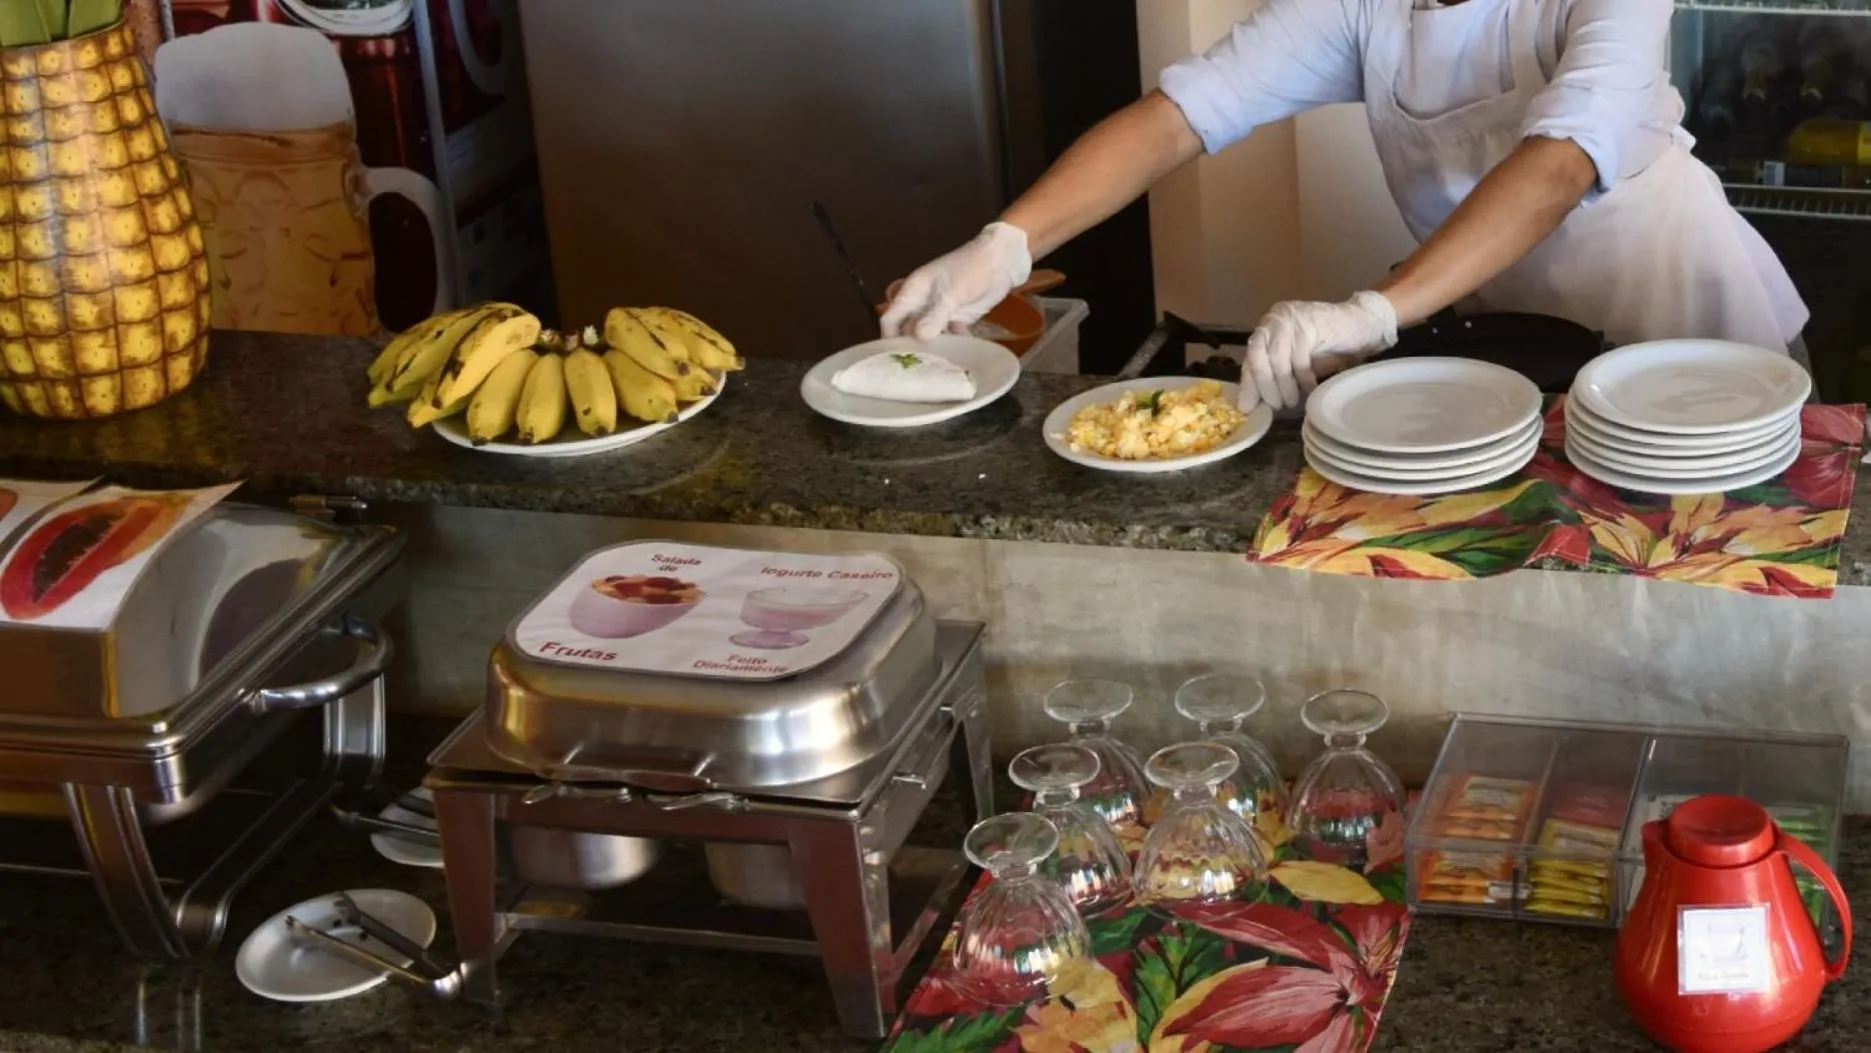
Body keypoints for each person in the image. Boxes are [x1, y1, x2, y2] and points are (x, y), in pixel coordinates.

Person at [878, 0, 1808, 410]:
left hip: (1686, 320)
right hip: (1516, 336)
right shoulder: (1366, 7)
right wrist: (1004, 241)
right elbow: (1176, 118)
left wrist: (1374, 310)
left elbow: (1560, 161)